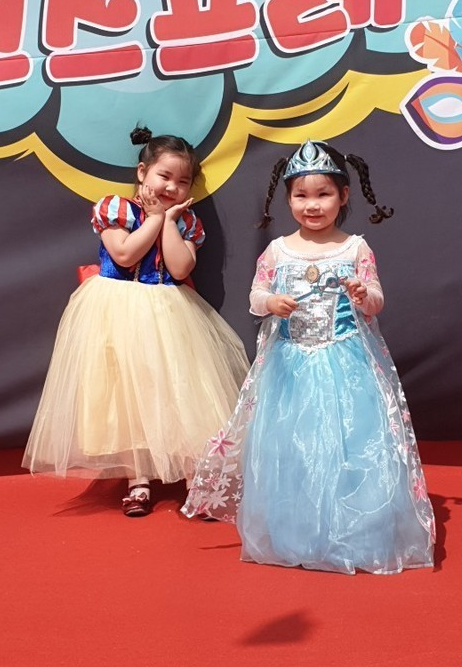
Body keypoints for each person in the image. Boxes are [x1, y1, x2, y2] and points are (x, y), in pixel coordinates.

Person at [183, 140, 435, 574]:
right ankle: (294, 534)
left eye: (323, 194)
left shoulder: (355, 249)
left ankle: (357, 535)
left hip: (346, 365)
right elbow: (256, 294)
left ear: (344, 196)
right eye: (301, 195)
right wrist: (270, 302)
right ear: (288, 199)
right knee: (293, 450)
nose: (312, 205)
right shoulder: (277, 250)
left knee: (349, 448)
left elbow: (376, 302)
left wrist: (363, 294)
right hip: (290, 368)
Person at [23, 126, 250, 516]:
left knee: (179, 389)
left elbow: (180, 268)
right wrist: (155, 218)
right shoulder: (116, 209)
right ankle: (137, 479)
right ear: (143, 172)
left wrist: (169, 221)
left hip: (168, 309)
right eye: (164, 176)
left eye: (183, 181)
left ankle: (196, 479)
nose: (172, 187)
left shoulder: (186, 221)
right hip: (117, 308)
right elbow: (125, 254)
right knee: (125, 395)